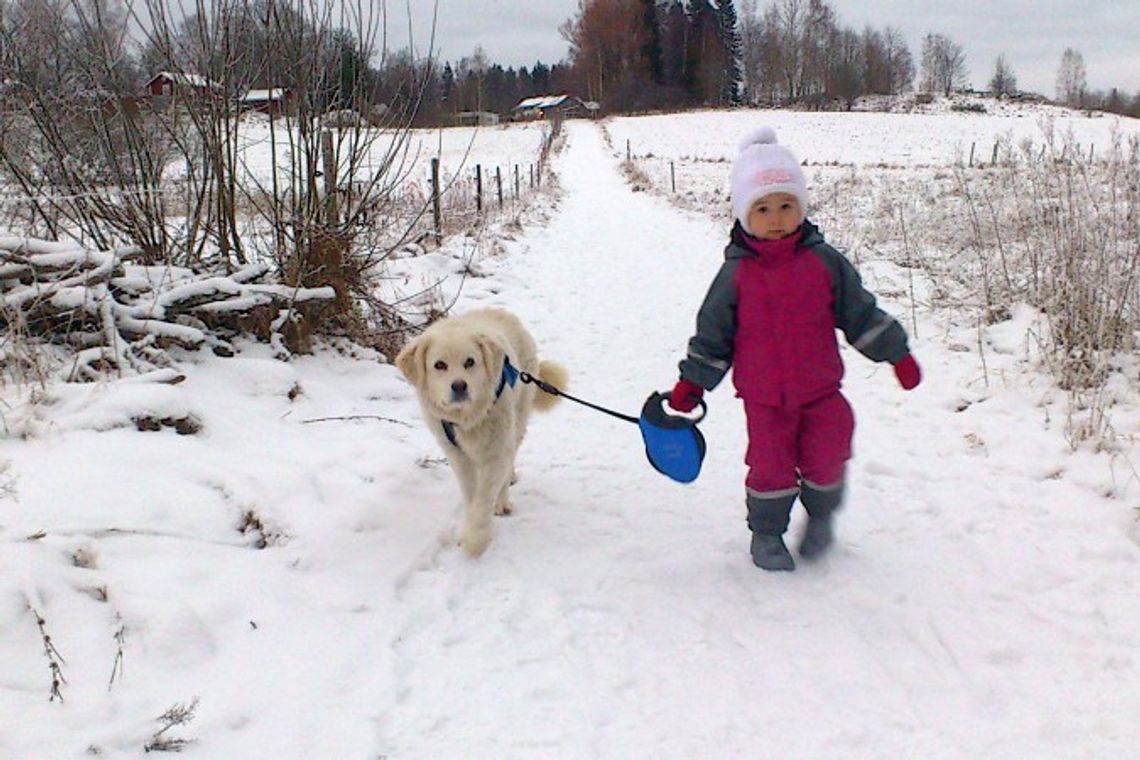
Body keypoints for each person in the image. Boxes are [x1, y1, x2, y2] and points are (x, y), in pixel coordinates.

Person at [668, 126, 922, 572]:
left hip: (822, 391)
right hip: (765, 399)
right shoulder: (735, 276)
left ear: (801, 207)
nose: (776, 219)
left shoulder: (824, 263)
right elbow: (712, 336)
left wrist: (895, 352)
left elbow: (860, 312)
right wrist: (694, 383)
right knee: (771, 467)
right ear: (744, 215)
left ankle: (821, 518)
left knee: (829, 455)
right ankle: (767, 533)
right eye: (762, 208)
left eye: (786, 206)